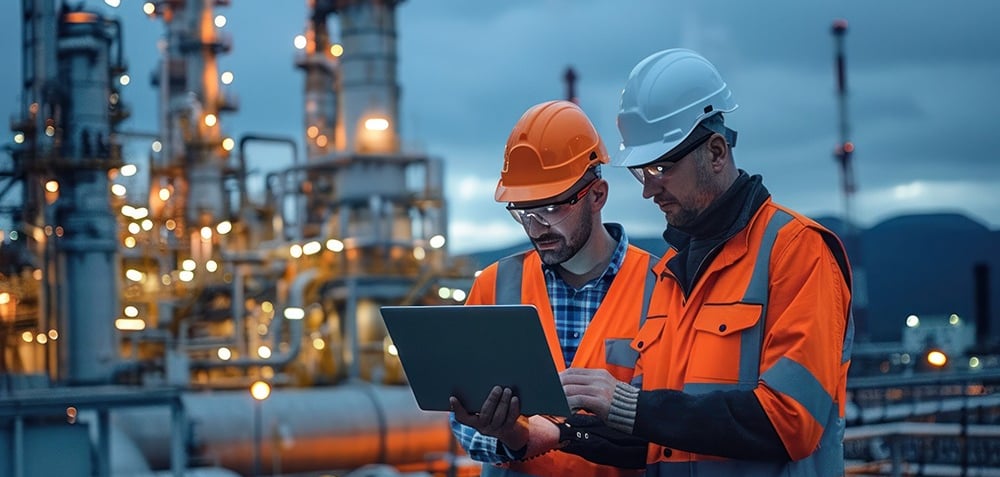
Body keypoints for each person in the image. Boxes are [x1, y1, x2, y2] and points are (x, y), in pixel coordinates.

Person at [559, 48, 855, 476]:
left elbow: (790, 421)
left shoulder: (797, 252)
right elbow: (653, 439)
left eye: (660, 167)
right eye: (641, 172)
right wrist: (558, 435)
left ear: (716, 152)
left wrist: (630, 404)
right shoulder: (670, 274)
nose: (648, 190)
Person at [449, 100, 659, 477]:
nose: (536, 227)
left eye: (550, 208)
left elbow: (670, 424)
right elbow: (462, 422)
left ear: (597, 195)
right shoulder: (494, 286)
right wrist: (507, 434)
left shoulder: (662, 286)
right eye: (524, 212)